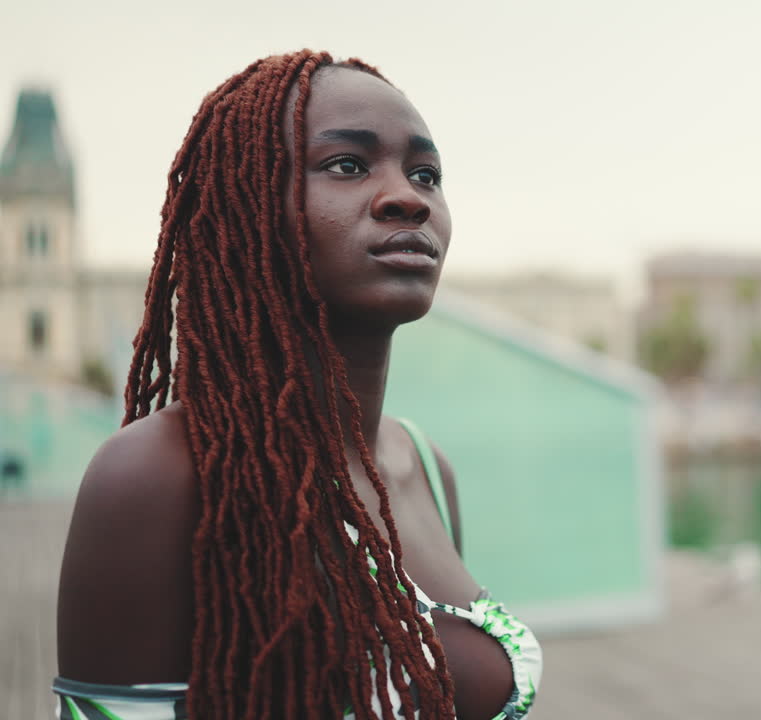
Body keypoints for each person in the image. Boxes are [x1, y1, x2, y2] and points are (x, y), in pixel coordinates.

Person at [52, 50, 541, 720]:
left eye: (426, 173)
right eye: (348, 164)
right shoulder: (156, 474)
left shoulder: (423, 466)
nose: (408, 196)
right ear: (245, 205)